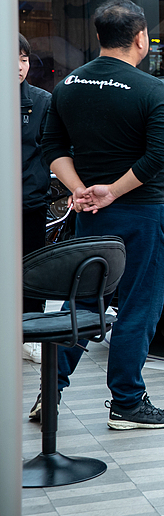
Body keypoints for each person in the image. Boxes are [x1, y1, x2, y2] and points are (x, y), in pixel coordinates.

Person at [39, 0, 164, 429]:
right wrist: (112, 192)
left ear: (99, 36)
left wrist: (80, 190)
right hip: (140, 213)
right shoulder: (150, 89)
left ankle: (49, 392)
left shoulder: (68, 85)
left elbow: (52, 148)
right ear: (140, 37)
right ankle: (127, 404)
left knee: (83, 304)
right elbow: (158, 155)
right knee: (138, 307)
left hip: (91, 215)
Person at [19, 33, 51, 363]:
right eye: (12, 59)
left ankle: (30, 334)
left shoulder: (41, 101)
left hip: (30, 202)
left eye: (24, 59)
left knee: (33, 270)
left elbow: (54, 149)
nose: (19, 66)